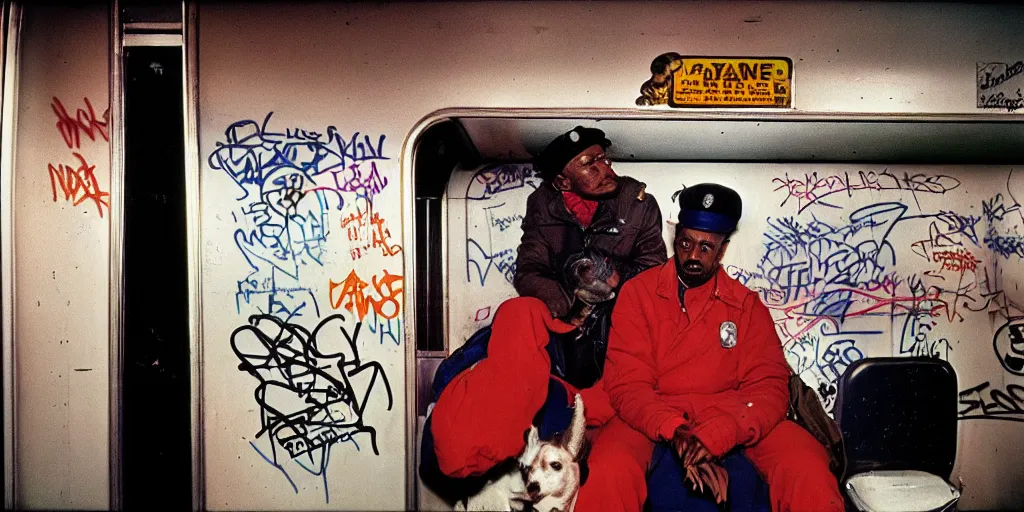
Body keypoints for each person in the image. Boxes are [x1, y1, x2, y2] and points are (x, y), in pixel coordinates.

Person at [422, 127, 667, 497]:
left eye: (604, 157)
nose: (606, 168)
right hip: (558, 329)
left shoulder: (637, 201)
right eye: (590, 164)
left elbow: (655, 273)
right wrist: (568, 304)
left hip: (617, 326)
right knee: (516, 317)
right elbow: (529, 270)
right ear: (562, 179)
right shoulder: (543, 204)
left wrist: (615, 282)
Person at [574, 183, 844, 512]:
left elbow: (769, 388)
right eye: (685, 243)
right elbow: (627, 383)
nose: (692, 256)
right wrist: (675, 430)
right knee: (608, 468)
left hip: (729, 413)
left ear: (722, 251)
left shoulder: (746, 306)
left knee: (808, 466)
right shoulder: (639, 295)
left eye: (706, 247)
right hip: (655, 412)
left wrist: (720, 433)